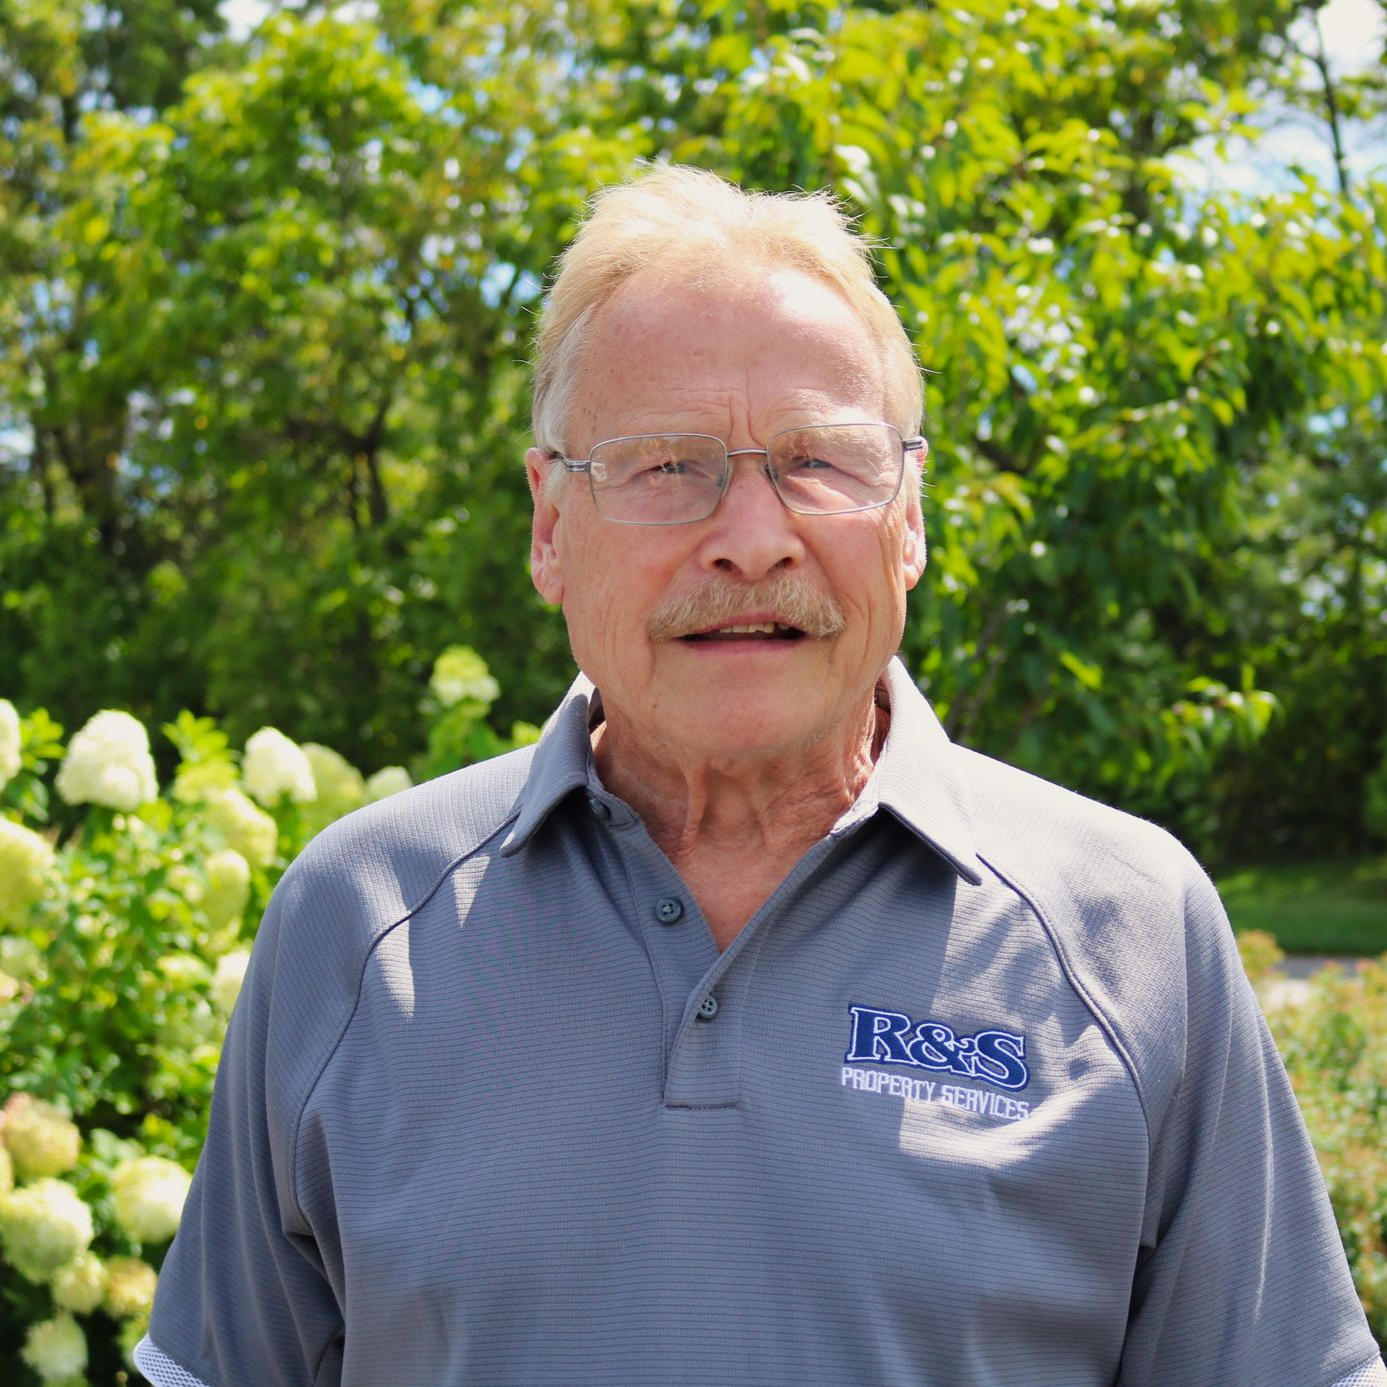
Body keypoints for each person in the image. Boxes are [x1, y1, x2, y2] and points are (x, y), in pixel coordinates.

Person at [137, 166, 1384, 1386]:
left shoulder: (1131, 929)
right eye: (666, 465)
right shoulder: (356, 919)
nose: (749, 539)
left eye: (819, 460)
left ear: (908, 517)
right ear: (550, 524)